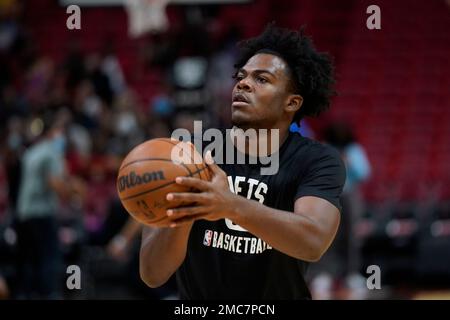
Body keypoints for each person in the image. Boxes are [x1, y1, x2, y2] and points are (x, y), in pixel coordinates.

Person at [139, 23, 346, 299]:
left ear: (292, 103)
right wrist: (184, 212)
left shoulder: (317, 160)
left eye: (262, 79)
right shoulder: (186, 152)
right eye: (242, 76)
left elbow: (313, 241)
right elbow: (152, 274)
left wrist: (231, 205)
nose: (243, 83)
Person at [14, 111, 81, 299]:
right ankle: (49, 294)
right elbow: (54, 182)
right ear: (52, 132)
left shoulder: (32, 151)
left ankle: (25, 294)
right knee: (49, 258)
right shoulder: (52, 152)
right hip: (42, 213)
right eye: (59, 130)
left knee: (29, 260)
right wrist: (73, 194)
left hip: (23, 213)